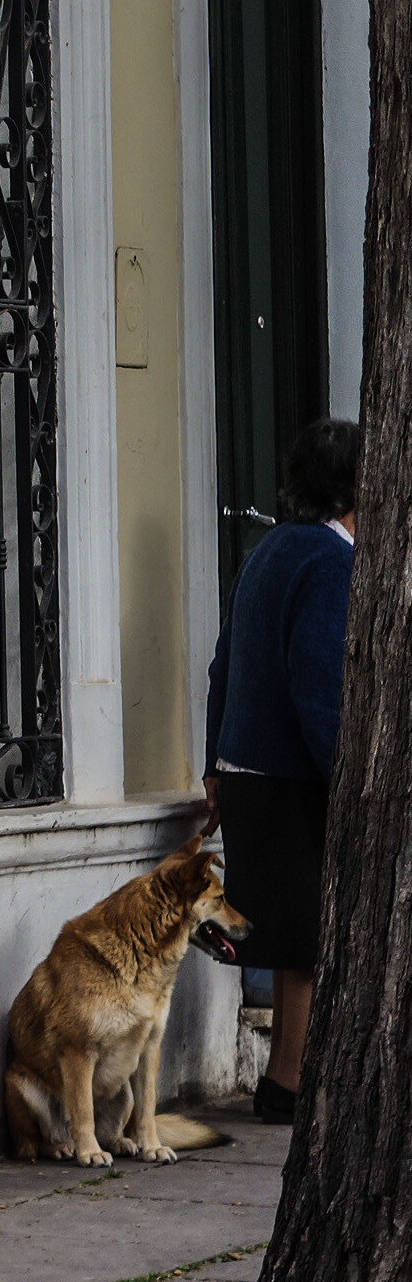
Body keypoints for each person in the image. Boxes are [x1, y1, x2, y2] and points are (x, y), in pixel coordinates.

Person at [204, 415, 358, 1124]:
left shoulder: (265, 551)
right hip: (290, 776)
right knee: (306, 942)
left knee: (295, 935)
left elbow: (222, 663)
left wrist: (213, 763)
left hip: (243, 772)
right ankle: (286, 1084)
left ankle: (287, 1077)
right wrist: (347, 780)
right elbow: (318, 687)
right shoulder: (332, 563)